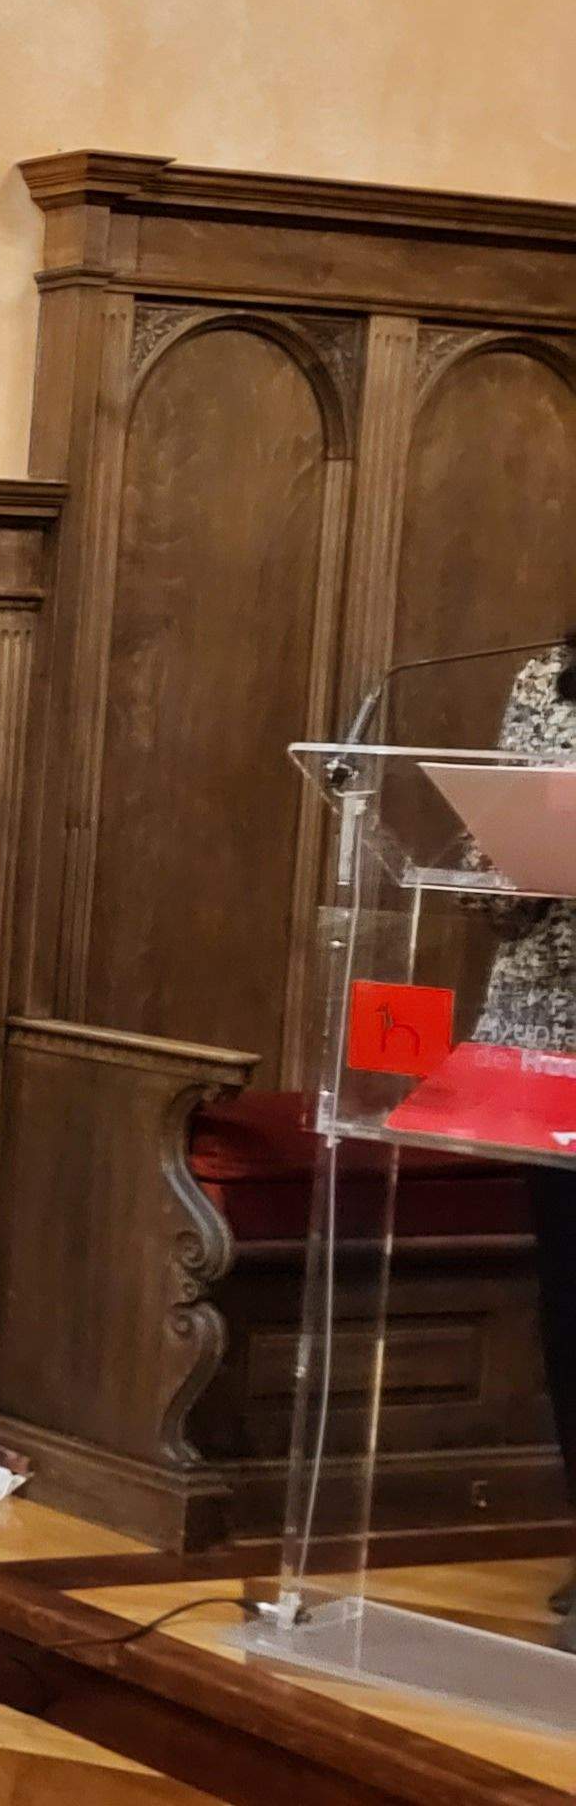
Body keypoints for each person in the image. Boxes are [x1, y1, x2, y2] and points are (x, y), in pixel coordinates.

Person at [473, 627, 576, 1651]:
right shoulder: (546, 677)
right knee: (570, 1299)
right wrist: (503, 871)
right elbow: (491, 854)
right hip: (550, 1036)